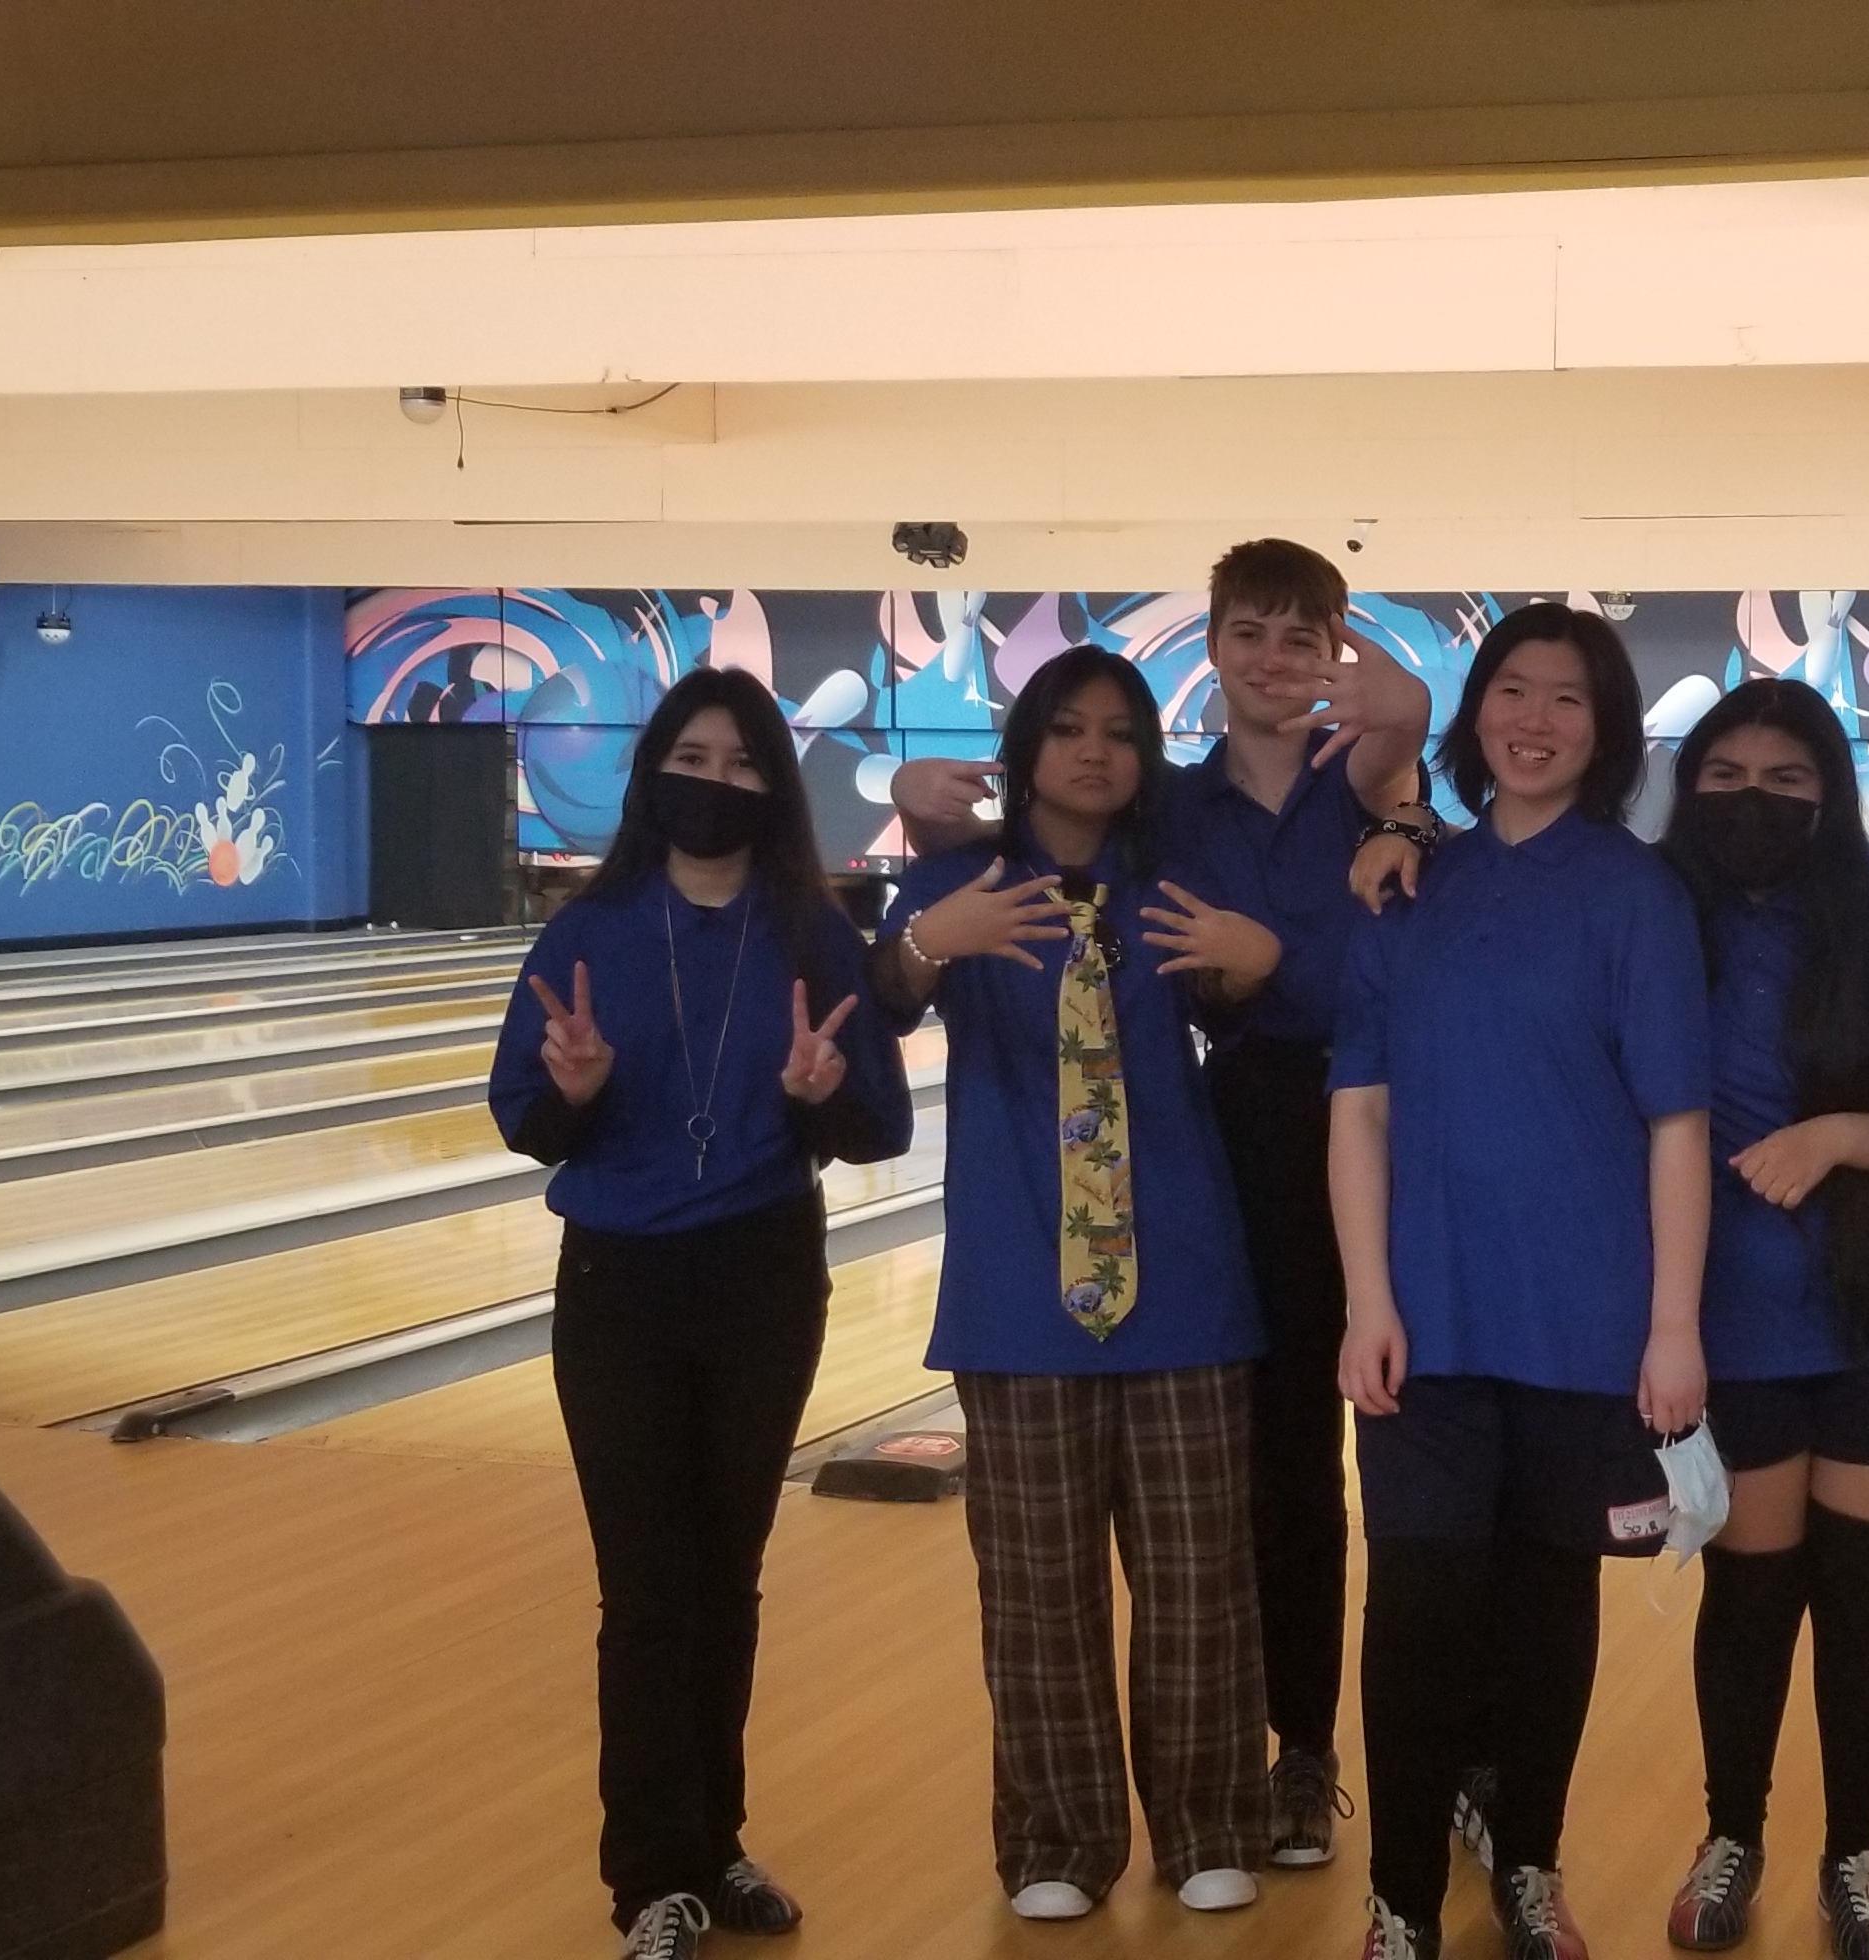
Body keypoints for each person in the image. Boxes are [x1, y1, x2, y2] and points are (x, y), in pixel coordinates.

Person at [894, 539, 1433, 1868]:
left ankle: (1327, 1764)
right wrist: (916, 811)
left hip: (1385, 1132)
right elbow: (993, 876)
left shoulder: (1361, 780)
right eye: (1246, 631)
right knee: (1272, 1479)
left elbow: (1410, 748)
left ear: (1334, 647)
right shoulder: (1172, 814)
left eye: (1300, 637)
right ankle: (1237, 1776)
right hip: (1241, 1137)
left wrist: (1394, 817)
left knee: (1389, 1477)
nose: (1271, 657)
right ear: (1211, 642)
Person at [491, 666, 916, 1960]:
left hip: (761, 1275)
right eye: (695, 758)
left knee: (726, 1577)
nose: (715, 785)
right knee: (648, 1587)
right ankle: (651, 1881)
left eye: (741, 767)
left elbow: (878, 1127)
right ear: (655, 771)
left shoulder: (809, 932)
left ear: (771, 789)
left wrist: (817, 1089)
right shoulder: (587, 932)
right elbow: (522, 1118)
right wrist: (575, 1086)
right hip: (618, 1284)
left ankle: (716, 1842)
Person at [871, 645, 1295, 1921]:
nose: (1096, 750)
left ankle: (1215, 1819)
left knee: (1199, 1579)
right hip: (1016, 1290)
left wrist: (1254, 956)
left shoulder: (1175, 881)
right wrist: (921, 947)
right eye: (1069, 729)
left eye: (1119, 730)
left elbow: (1246, 988)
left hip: (1185, 1282)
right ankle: (1055, 1842)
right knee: (1037, 1595)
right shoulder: (954, 883)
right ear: (1029, 748)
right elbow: (874, 1000)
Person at [1330, 602, 1712, 1960]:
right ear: (1476, 710)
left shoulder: (1636, 895)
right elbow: (1359, 1110)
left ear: (1602, 730)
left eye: (1567, 698)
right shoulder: (1410, 885)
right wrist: (1368, 1299)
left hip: (1585, 1323)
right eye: (1512, 690)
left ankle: (1531, 1863)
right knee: (1422, 1610)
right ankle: (1402, 1897)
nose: (1534, 720)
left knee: (1550, 1612)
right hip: (1426, 1325)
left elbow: (1678, 1122)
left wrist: (1672, 1330)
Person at [1650, 679, 1869, 1960]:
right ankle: (1731, 1830)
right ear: (1689, 791)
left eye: (1787, 780)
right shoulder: (1655, 919)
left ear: (1831, 797)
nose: (1754, 800)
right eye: (1725, 778)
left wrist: (1840, 1135)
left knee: (1863, 1594)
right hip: (1726, 1318)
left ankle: (1856, 1851)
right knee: (1749, 1588)